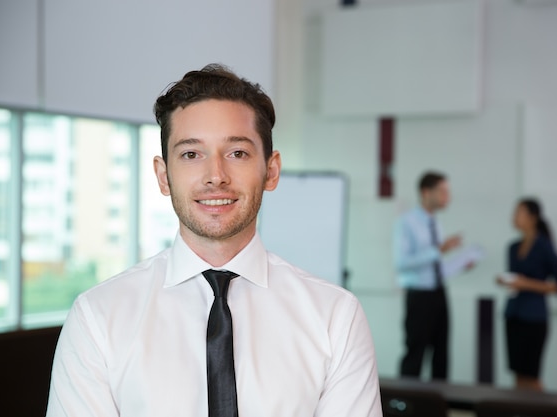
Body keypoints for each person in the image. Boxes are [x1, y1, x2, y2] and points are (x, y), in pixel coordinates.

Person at [46, 64, 382, 417]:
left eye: (237, 153)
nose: (216, 176)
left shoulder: (334, 316)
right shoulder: (98, 317)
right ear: (163, 176)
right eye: (191, 154)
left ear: (271, 170)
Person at [392, 171, 466, 381]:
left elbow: (436, 267)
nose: (447, 197)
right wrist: (438, 250)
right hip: (419, 296)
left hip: (439, 292)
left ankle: (439, 406)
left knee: (442, 354)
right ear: (426, 192)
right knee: (415, 353)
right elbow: (401, 263)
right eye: (442, 191)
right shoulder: (406, 222)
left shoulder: (436, 223)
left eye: (447, 192)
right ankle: (404, 405)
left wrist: (460, 265)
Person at [496, 198, 557, 391]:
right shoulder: (512, 247)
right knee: (518, 374)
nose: (514, 217)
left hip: (534, 317)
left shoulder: (545, 247)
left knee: (532, 376)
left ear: (533, 217)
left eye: (519, 212)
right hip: (513, 314)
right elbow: (516, 280)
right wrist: (507, 281)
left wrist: (527, 284)